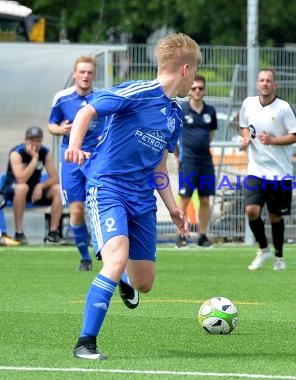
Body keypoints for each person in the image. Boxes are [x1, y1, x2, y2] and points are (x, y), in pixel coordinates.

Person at [65, 33, 200, 360]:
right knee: (114, 258)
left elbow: (159, 167)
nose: (195, 78)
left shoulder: (174, 115)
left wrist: (174, 208)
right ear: (185, 70)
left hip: (143, 201)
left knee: (145, 282)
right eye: (195, 72)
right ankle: (85, 343)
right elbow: (86, 112)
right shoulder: (139, 92)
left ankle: (123, 275)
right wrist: (74, 145)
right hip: (108, 187)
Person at [239, 68, 296, 271]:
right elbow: (243, 126)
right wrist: (246, 138)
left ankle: (279, 257)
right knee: (251, 210)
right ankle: (263, 249)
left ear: (274, 84)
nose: (265, 83)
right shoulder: (248, 104)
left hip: (280, 172)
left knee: (275, 216)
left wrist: (273, 140)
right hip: (256, 170)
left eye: (269, 80)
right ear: (257, 84)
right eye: (261, 80)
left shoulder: (283, 107)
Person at [48, 55, 101, 271]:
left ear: (94, 75)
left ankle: (105, 252)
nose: (86, 75)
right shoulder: (62, 98)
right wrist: (61, 130)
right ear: (75, 74)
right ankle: (84, 257)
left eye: (89, 72)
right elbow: (51, 125)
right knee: (77, 210)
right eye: (82, 72)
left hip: (96, 159)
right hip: (71, 160)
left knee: (99, 205)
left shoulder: (102, 98)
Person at [175, 74, 217, 248]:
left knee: (205, 199)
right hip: (188, 161)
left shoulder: (210, 111)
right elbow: (175, 136)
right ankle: (181, 235)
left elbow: (211, 135)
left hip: (205, 162)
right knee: (185, 199)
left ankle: (202, 235)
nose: (197, 91)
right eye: (194, 88)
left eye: (200, 88)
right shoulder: (182, 110)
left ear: (204, 90)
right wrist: (178, 157)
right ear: (190, 90)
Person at [2, 126, 64, 245]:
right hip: (12, 190)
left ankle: (52, 233)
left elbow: (55, 178)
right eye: (32, 140)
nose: (35, 144)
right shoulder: (16, 153)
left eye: (38, 141)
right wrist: (34, 159)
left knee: (58, 190)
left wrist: (41, 185)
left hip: (33, 190)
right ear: (26, 140)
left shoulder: (45, 153)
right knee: (22, 188)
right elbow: (21, 179)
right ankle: (18, 232)